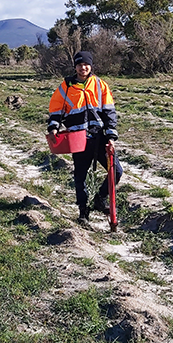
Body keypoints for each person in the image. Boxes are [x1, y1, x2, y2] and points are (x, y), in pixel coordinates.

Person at [47, 50, 123, 225]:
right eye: (80, 65)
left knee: (116, 171)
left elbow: (109, 111)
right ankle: (83, 212)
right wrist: (53, 127)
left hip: (100, 138)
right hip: (78, 139)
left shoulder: (100, 85)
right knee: (80, 176)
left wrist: (111, 135)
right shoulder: (65, 87)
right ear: (75, 66)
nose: (83, 68)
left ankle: (100, 198)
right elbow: (56, 110)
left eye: (86, 64)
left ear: (91, 66)